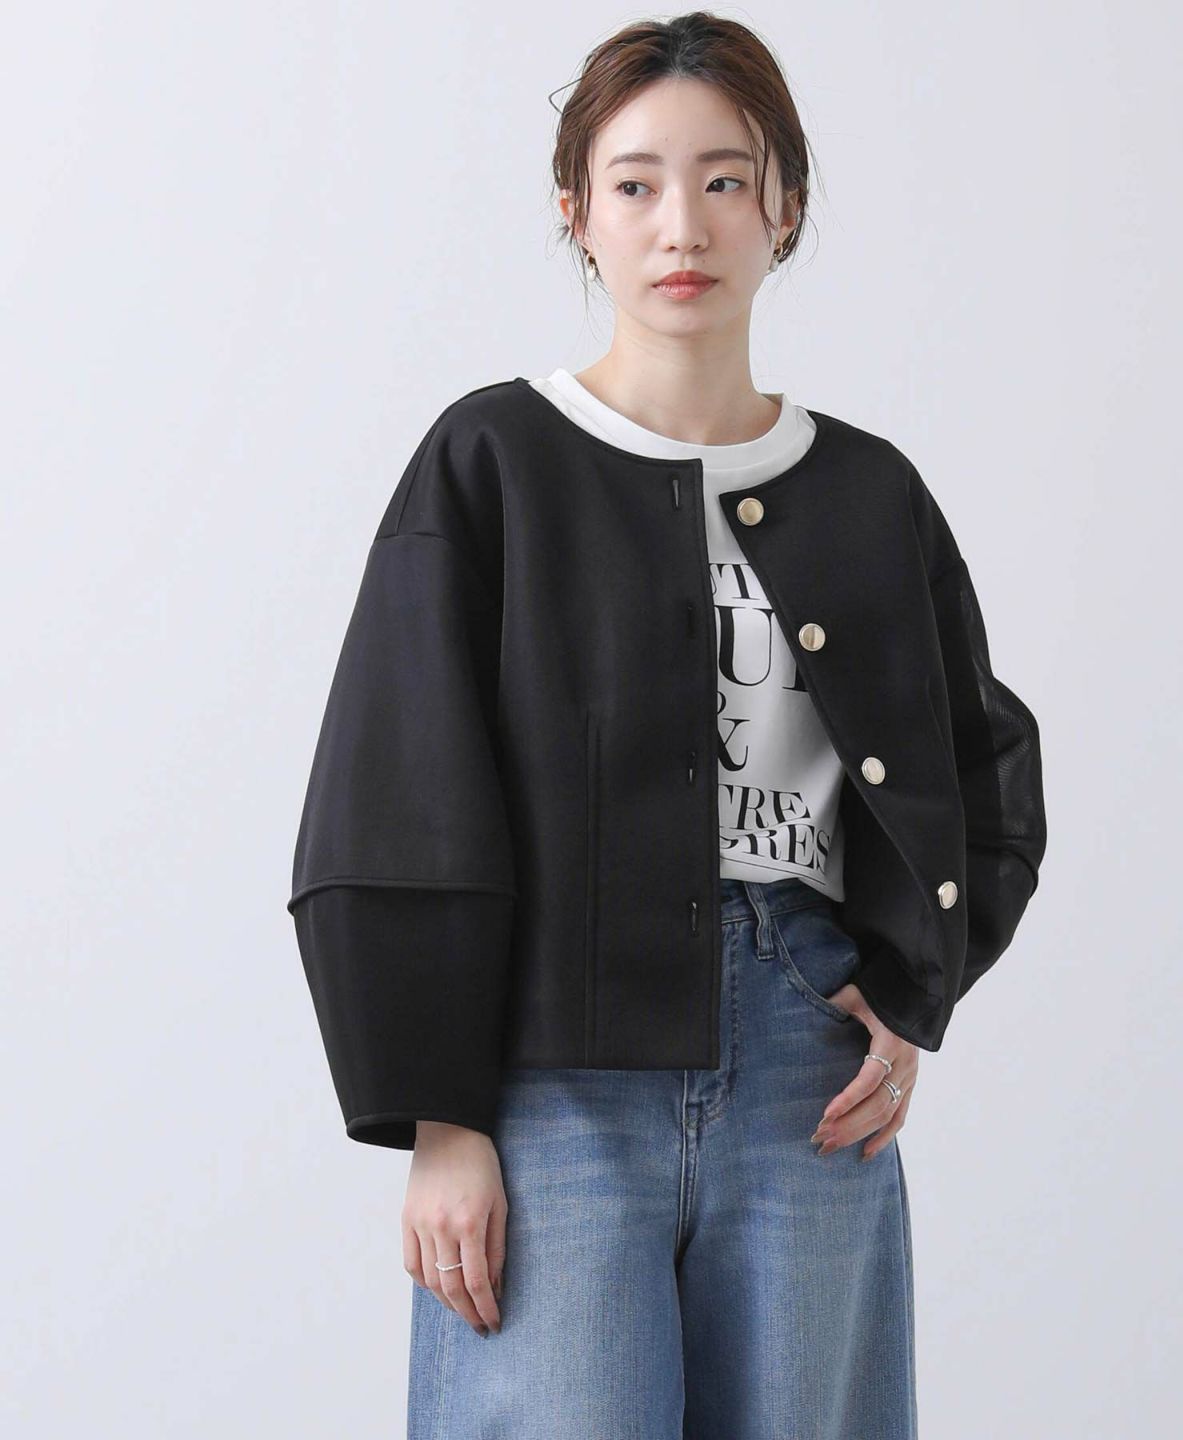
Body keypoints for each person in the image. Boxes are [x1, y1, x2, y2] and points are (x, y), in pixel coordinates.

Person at [287, 12, 1047, 1438]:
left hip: (807, 1065)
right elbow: (391, 797)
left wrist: (910, 994)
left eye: (724, 179)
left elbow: (986, 764)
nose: (680, 224)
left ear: (785, 206)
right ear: (574, 209)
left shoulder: (870, 491)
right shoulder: (493, 458)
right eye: (634, 183)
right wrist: (440, 1118)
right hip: (546, 1076)